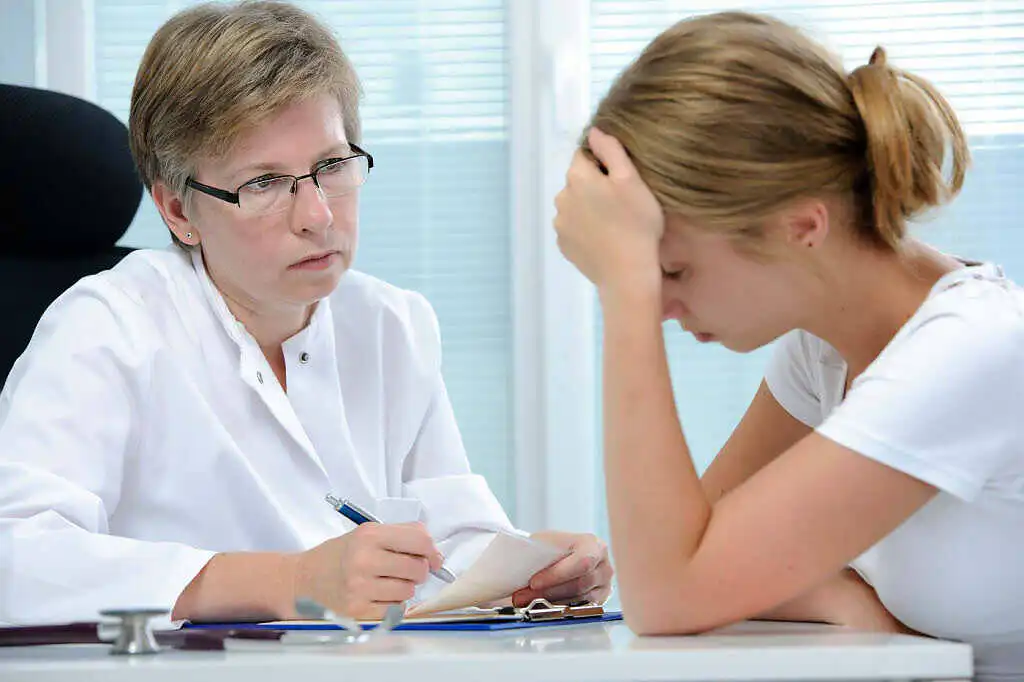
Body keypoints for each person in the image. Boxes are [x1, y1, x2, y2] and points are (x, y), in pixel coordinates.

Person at [0, 0, 611, 626]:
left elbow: (447, 543)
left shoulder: (390, 323)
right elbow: (16, 559)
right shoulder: (108, 328)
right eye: (263, 182)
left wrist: (526, 571)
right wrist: (290, 580)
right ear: (179, 212)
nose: (317, 215)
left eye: (331, 166)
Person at [553, 11, 1023, 681]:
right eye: (650, 278)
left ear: (801, 226)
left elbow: (669, 594)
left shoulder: (971, 351)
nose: (661, 308)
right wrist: (841, 598)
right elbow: (671, 560)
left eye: (675, 271)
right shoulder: (825, 351)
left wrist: (625, 290)